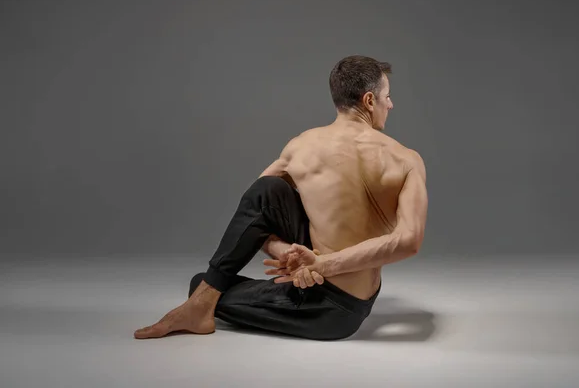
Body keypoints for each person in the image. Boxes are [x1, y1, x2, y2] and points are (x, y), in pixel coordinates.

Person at [133, 55, 428, 341]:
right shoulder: (405, 159)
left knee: (201, 283)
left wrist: (319, 265)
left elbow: (251, 211)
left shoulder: (300, 146)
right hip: (351, 301)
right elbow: (408, 240)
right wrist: (287, 254)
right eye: (387, 96)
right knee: (268, 191)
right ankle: (202, 304)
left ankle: (200, 305)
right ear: (368, 100)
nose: (390, 104)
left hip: (327, 310)